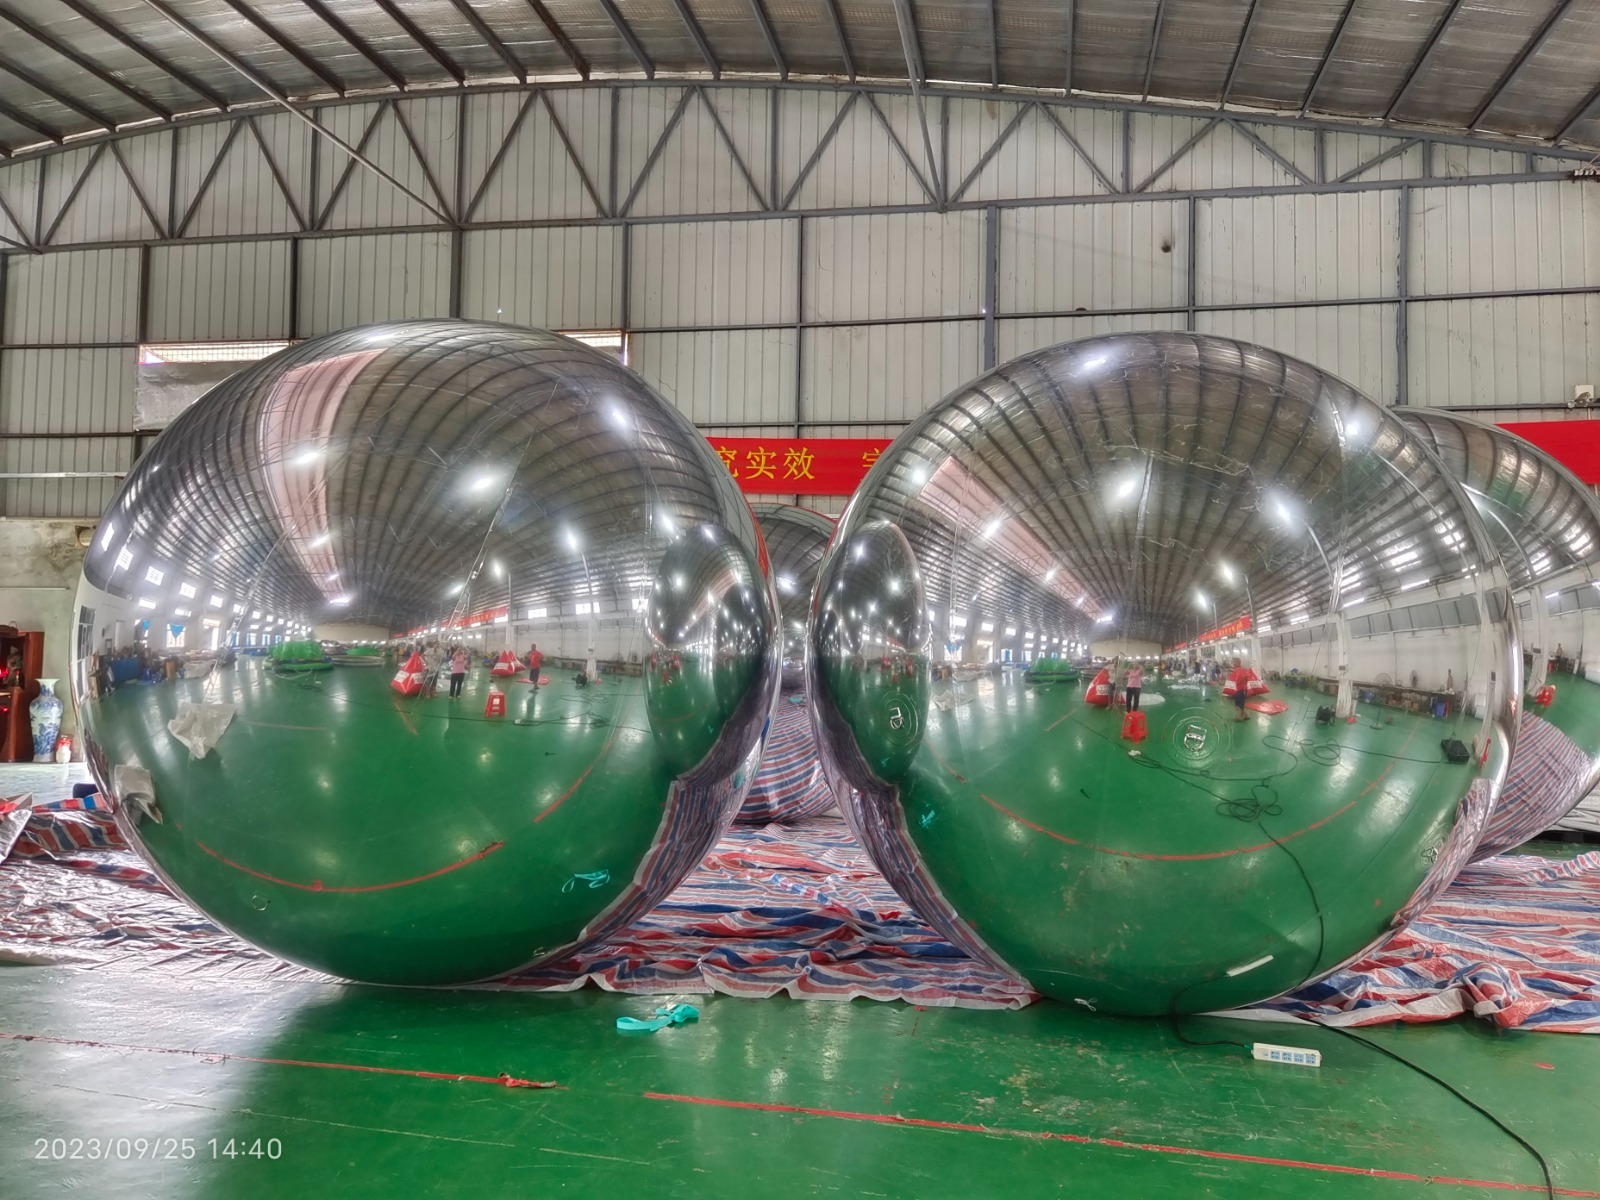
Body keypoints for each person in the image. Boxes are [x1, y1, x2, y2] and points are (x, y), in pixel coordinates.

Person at [1227, 657, 1252, 722]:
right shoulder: (1236, 670)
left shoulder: (1241, 670)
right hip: (1238, 689)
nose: (1233, 663)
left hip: (1241, 690)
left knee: (1240, 705)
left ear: (1238, 662)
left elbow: (1244, 678)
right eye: (1232, 662)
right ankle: (1245, 716)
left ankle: (1240, 717)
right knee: (1238, 704)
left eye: (1234, 662)